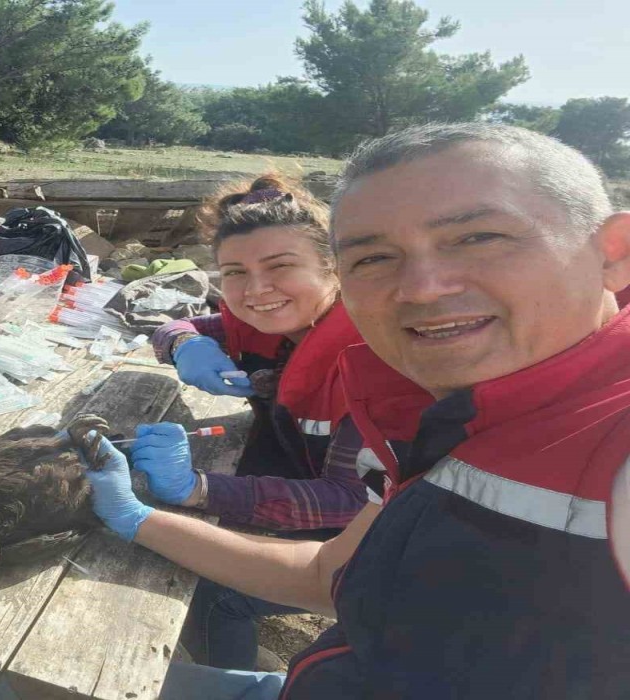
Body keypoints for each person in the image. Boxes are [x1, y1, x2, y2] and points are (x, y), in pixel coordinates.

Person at [81, 122, 630, 699]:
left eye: (478, 237)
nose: (422, 287)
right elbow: (329, 575)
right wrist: (140, 515)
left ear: (612, 255)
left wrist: (199, 490)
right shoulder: (467, 411)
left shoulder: (605, 434)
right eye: (374, 258)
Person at [147, 174, 367, 669]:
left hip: (380, 539)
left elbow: (351, 499)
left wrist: (200, 489)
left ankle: (233, 678)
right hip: (301, 472)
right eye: (234, 272)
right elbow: (171, 326)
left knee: (213, 587)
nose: (256, 289)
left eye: (280, 266)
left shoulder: (374, 362)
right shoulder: (260, 318)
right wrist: (186, 345)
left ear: (335, 269)